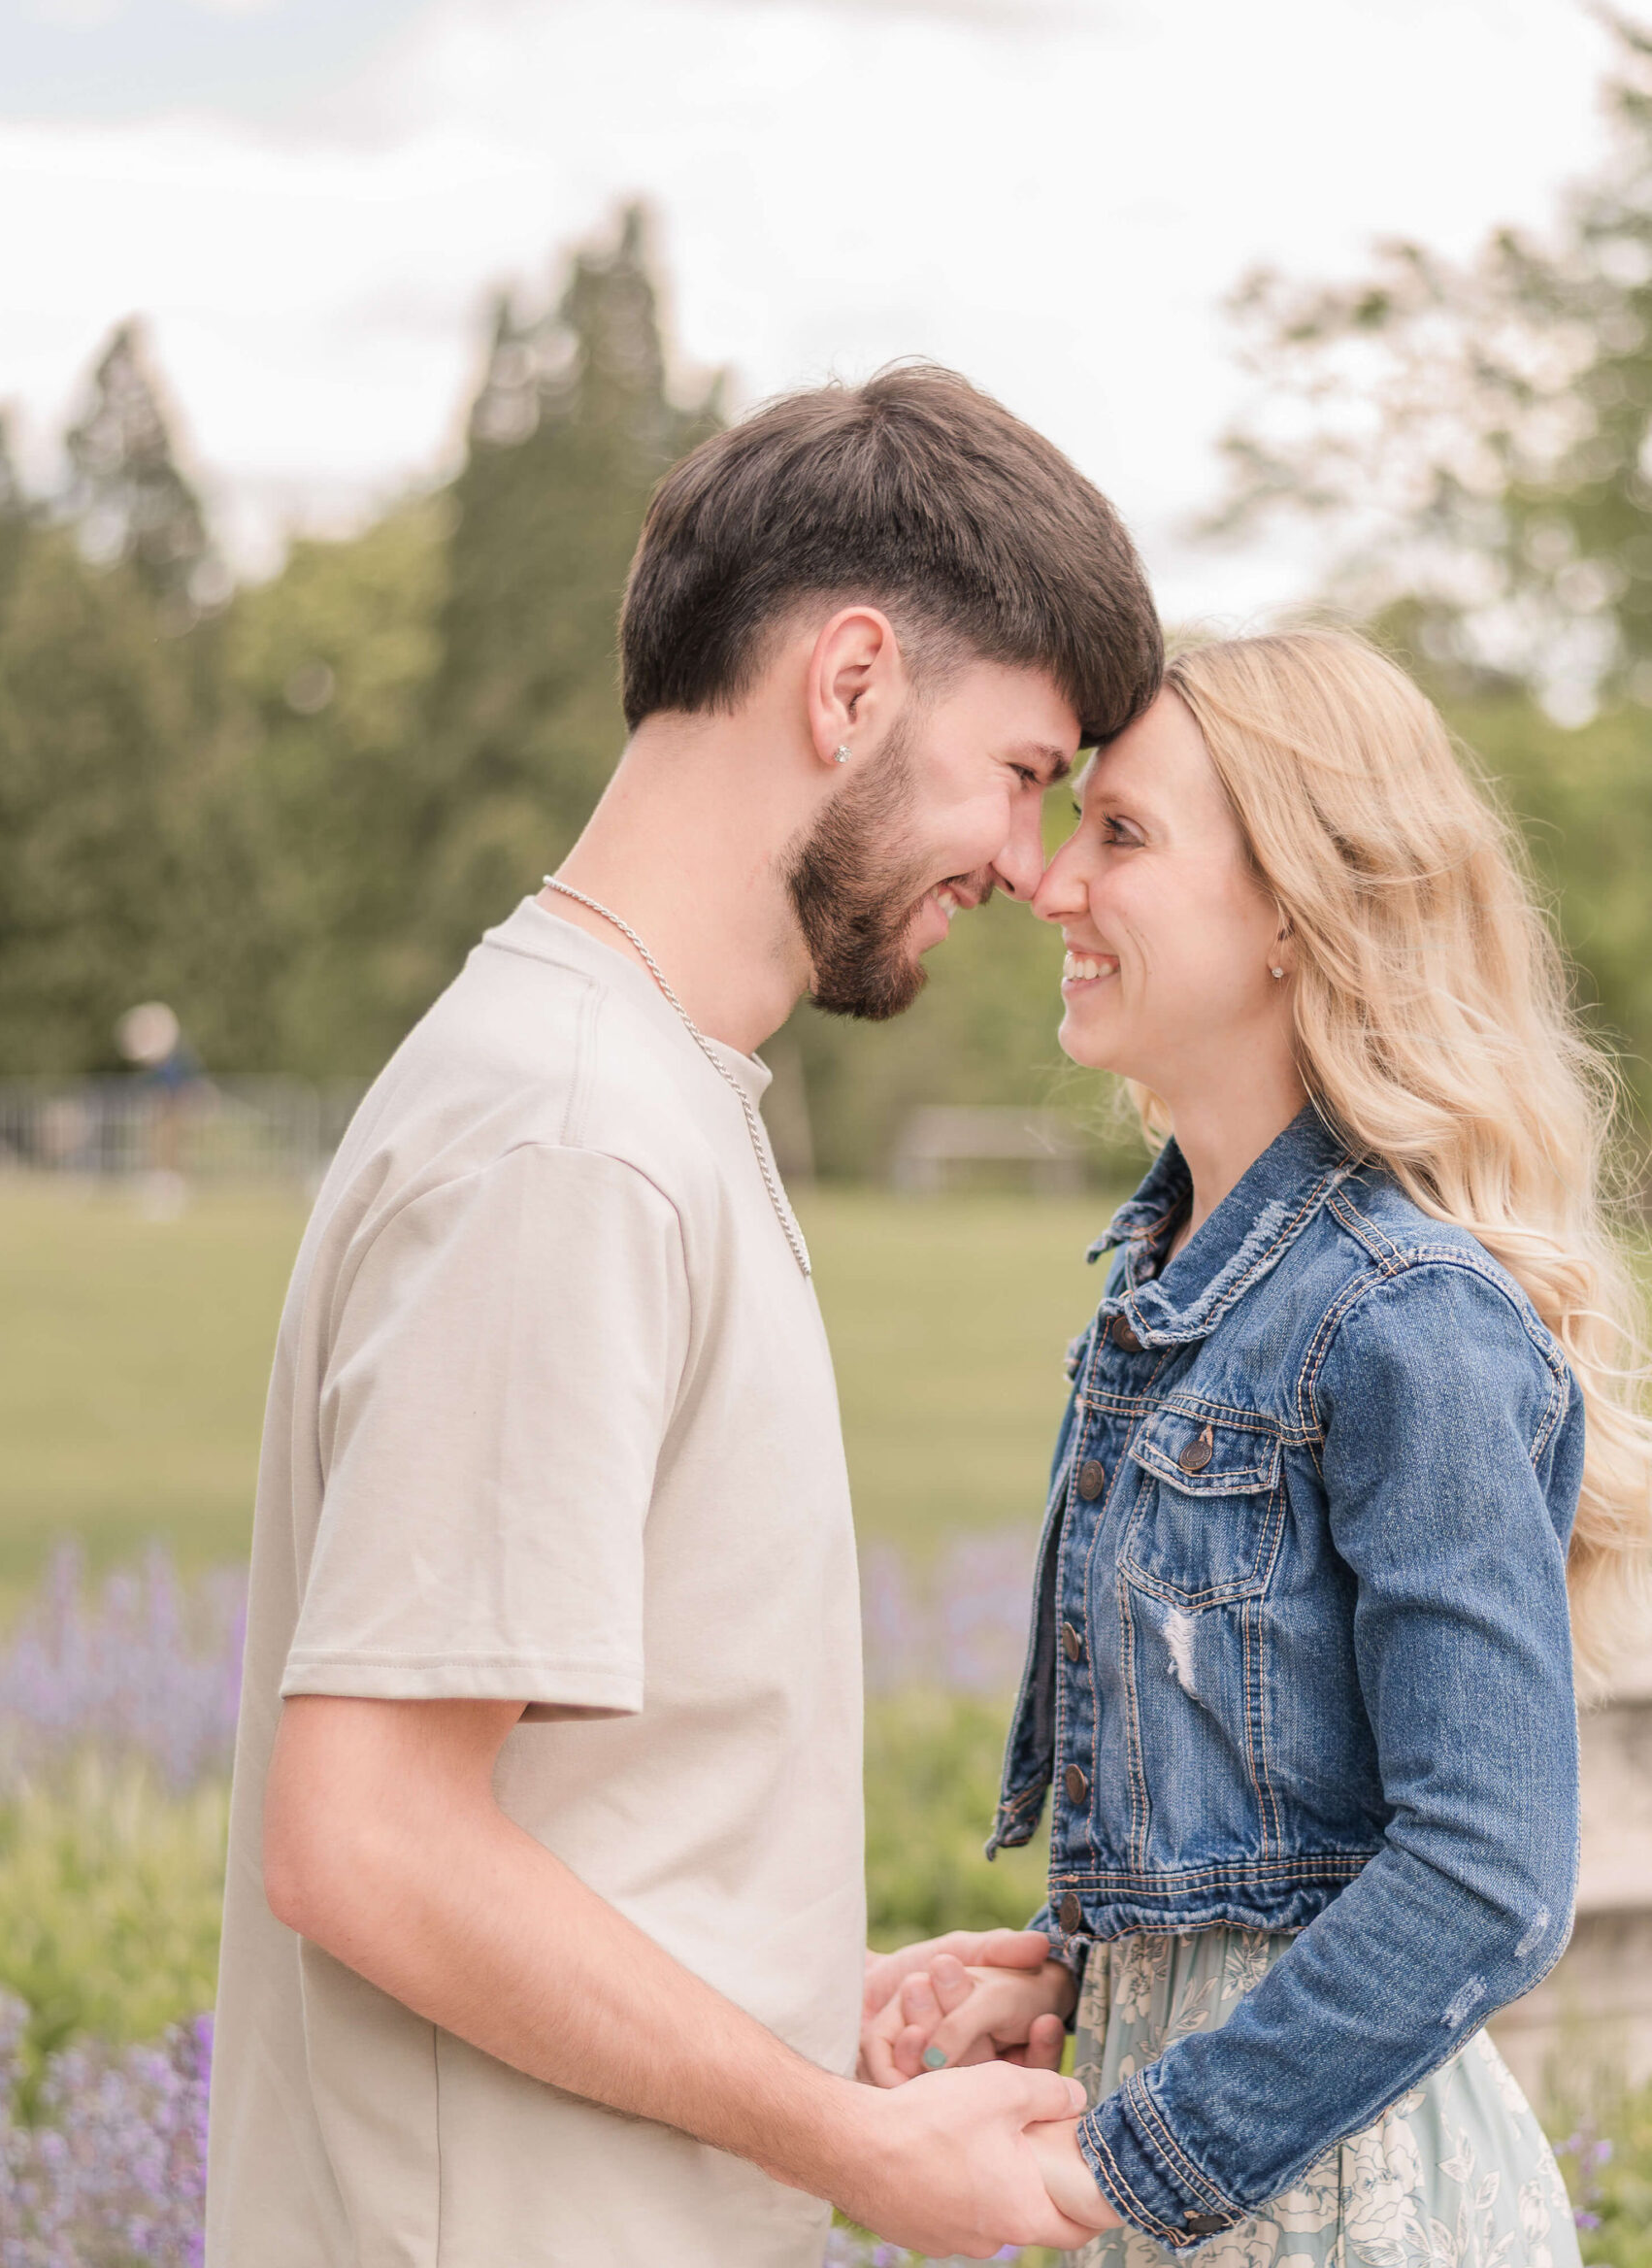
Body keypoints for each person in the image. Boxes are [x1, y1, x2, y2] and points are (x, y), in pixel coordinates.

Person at [205, 365, 1163, 2268]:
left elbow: (550, 1809)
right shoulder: (576, 1135)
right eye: (1027, 772)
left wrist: (807, 1997)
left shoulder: (631, 1096)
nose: (1027, 860)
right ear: (854, 681)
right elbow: (370, 1836)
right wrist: (856, 2144)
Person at [863, 628, 1652, 2260]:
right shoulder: (1171, 1292)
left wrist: (1107, 2168)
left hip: (1347, 2218)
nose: (1052, 883)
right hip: (1199, 2191)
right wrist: (1079, 1964)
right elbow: (1281, 1811)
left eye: (1124, 834)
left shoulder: (1404, 1318)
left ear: (1294, 908)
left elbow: (1485, 1876)